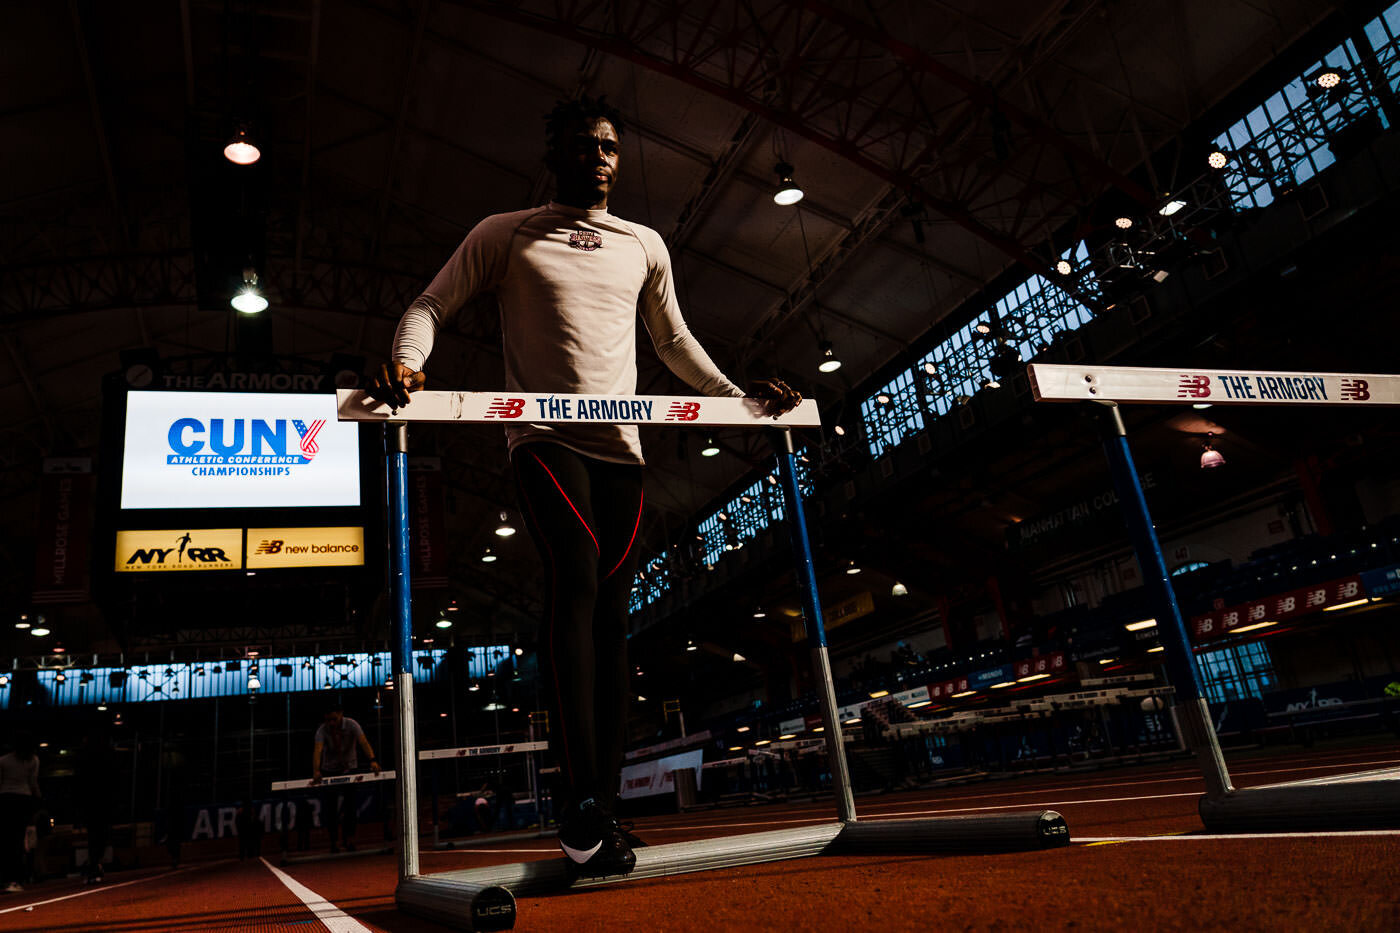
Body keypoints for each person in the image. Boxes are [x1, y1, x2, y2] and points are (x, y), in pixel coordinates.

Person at [369, 95, 801, 876]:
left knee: (613, 618)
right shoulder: (504, 234)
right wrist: (408, 362)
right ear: (555, 154)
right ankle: (577, 801)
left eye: (608, 147)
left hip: (621, 449)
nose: (599, 158)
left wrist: (742, 396)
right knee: (573, 576)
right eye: (583, 145)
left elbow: (672, 342)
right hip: (542, 438)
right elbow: (432, 304)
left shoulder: (644, 244)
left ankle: (604, 804)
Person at [312, 705, 381, 853]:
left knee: (351, 807)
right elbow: (317, 750)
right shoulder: (322, 730)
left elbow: (363, 742)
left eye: (334, 719)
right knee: (331, 808)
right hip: (329, 770)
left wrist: (372, 760)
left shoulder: (352, 724)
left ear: (341, 714)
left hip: (350, 768)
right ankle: (334, 842)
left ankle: (349, 839)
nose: (331, 723)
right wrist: (316, 771)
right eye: (328, 720)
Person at [74, 726, 115, 884]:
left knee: (94, 833)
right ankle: (95, 862)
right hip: (102, 797)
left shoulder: (83, 755)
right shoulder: (107, 753)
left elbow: (78, 780)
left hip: (91, 798)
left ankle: (94, 862)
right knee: (100, 833)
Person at [0, 735, 40, 893]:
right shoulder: (33, 760)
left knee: (7, 840)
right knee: (17, 840)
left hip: (6, 798)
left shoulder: (3, 761)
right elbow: (33, 782)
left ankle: (7, 878)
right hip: (23, 798)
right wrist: (38, 798)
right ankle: (15, 878)